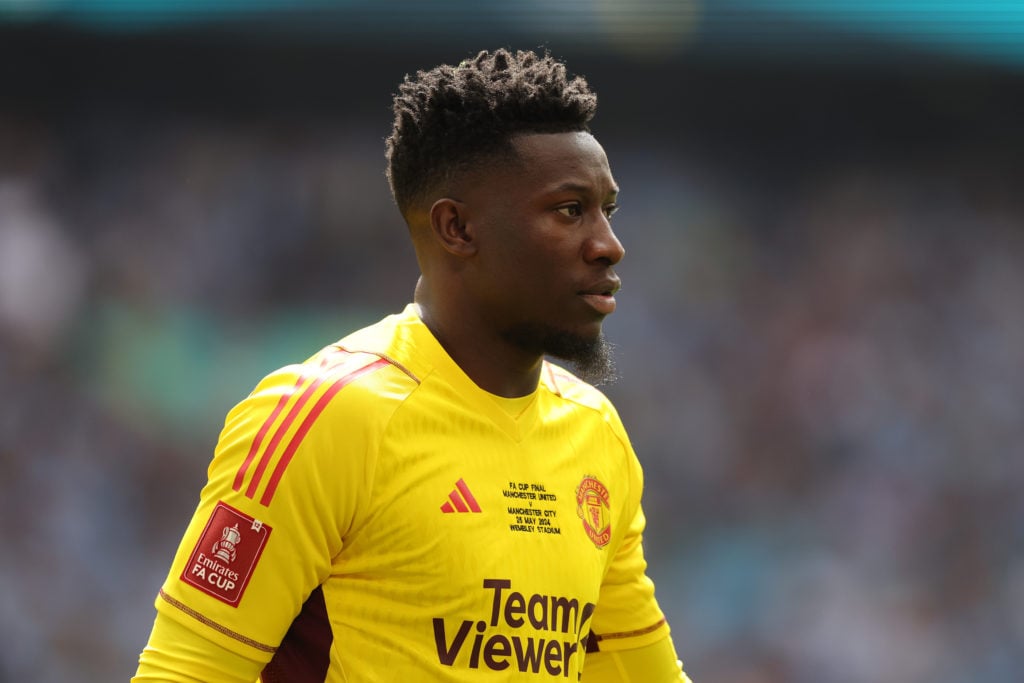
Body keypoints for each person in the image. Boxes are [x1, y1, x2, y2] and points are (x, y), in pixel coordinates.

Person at [133, 48, 692, 682]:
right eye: (569, 211)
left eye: (607, 211)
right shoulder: (327, 417)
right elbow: (184, 673)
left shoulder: (596, 434)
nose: (608, 244)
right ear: (456, 228)